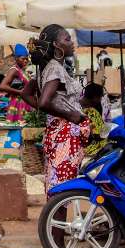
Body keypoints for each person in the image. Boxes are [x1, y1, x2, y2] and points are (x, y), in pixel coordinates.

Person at [26, 24, 90, 189]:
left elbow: (26, 94)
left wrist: (53, 111)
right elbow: (44, 102)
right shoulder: (55, 69)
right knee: (63, 188)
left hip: (56, 133)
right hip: (64, 135)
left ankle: (53, 215)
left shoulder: (45, 69)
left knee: (58, 185)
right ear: (56, 44)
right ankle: (54, 215)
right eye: (67, 39)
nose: (71, 43)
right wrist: (69, 115)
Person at [0, 43, 34, 123]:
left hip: (24, 102)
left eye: (27, 59)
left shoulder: (21, 70)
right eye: (23, 59)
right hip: (18, 103)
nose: (25, 61)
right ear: (16, 58)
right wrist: (19, 92)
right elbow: (2, 86)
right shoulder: (14, 70)